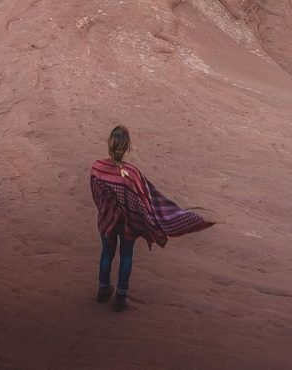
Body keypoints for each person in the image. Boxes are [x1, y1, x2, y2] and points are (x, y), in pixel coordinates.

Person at [90, 124, 214, 312]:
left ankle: (103, 289)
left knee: (106, 254)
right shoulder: (131, 175)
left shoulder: (97, 168)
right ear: (127, 148)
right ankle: (120, 298)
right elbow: (144, 199)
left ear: (109, 144)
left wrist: (107, 211)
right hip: (127, 224)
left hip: (107, 220)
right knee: (126, 256)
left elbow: (96, 195)